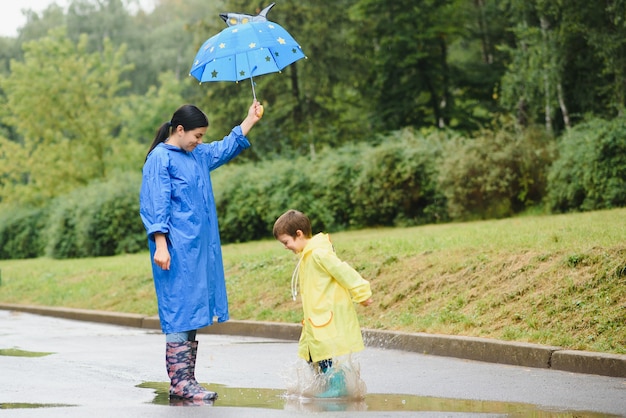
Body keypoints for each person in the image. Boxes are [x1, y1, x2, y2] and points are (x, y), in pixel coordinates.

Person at [139, 100, 263, 402]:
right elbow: (156, 202)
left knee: (193, 311)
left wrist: (250, 120)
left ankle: (187, 382)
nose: (200, 141)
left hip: (198, 249)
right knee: (180, 310)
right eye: (197, 135)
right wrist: (160, 244)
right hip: (175, 248)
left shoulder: (195, 154)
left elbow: (225, 148)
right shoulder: (160, 159)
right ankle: (180, 383)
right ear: (179, 130)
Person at [273, 209, 373, 398]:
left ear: (299, 234)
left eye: (286, 242)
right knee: (311, 355)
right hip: (314, 317)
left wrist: (361, 292)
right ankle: (326, 384)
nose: (285, 247)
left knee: (323, 352)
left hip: (326, 314)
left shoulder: (318, 254)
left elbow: (343, 271)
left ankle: (338, 384)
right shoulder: (306, 255)